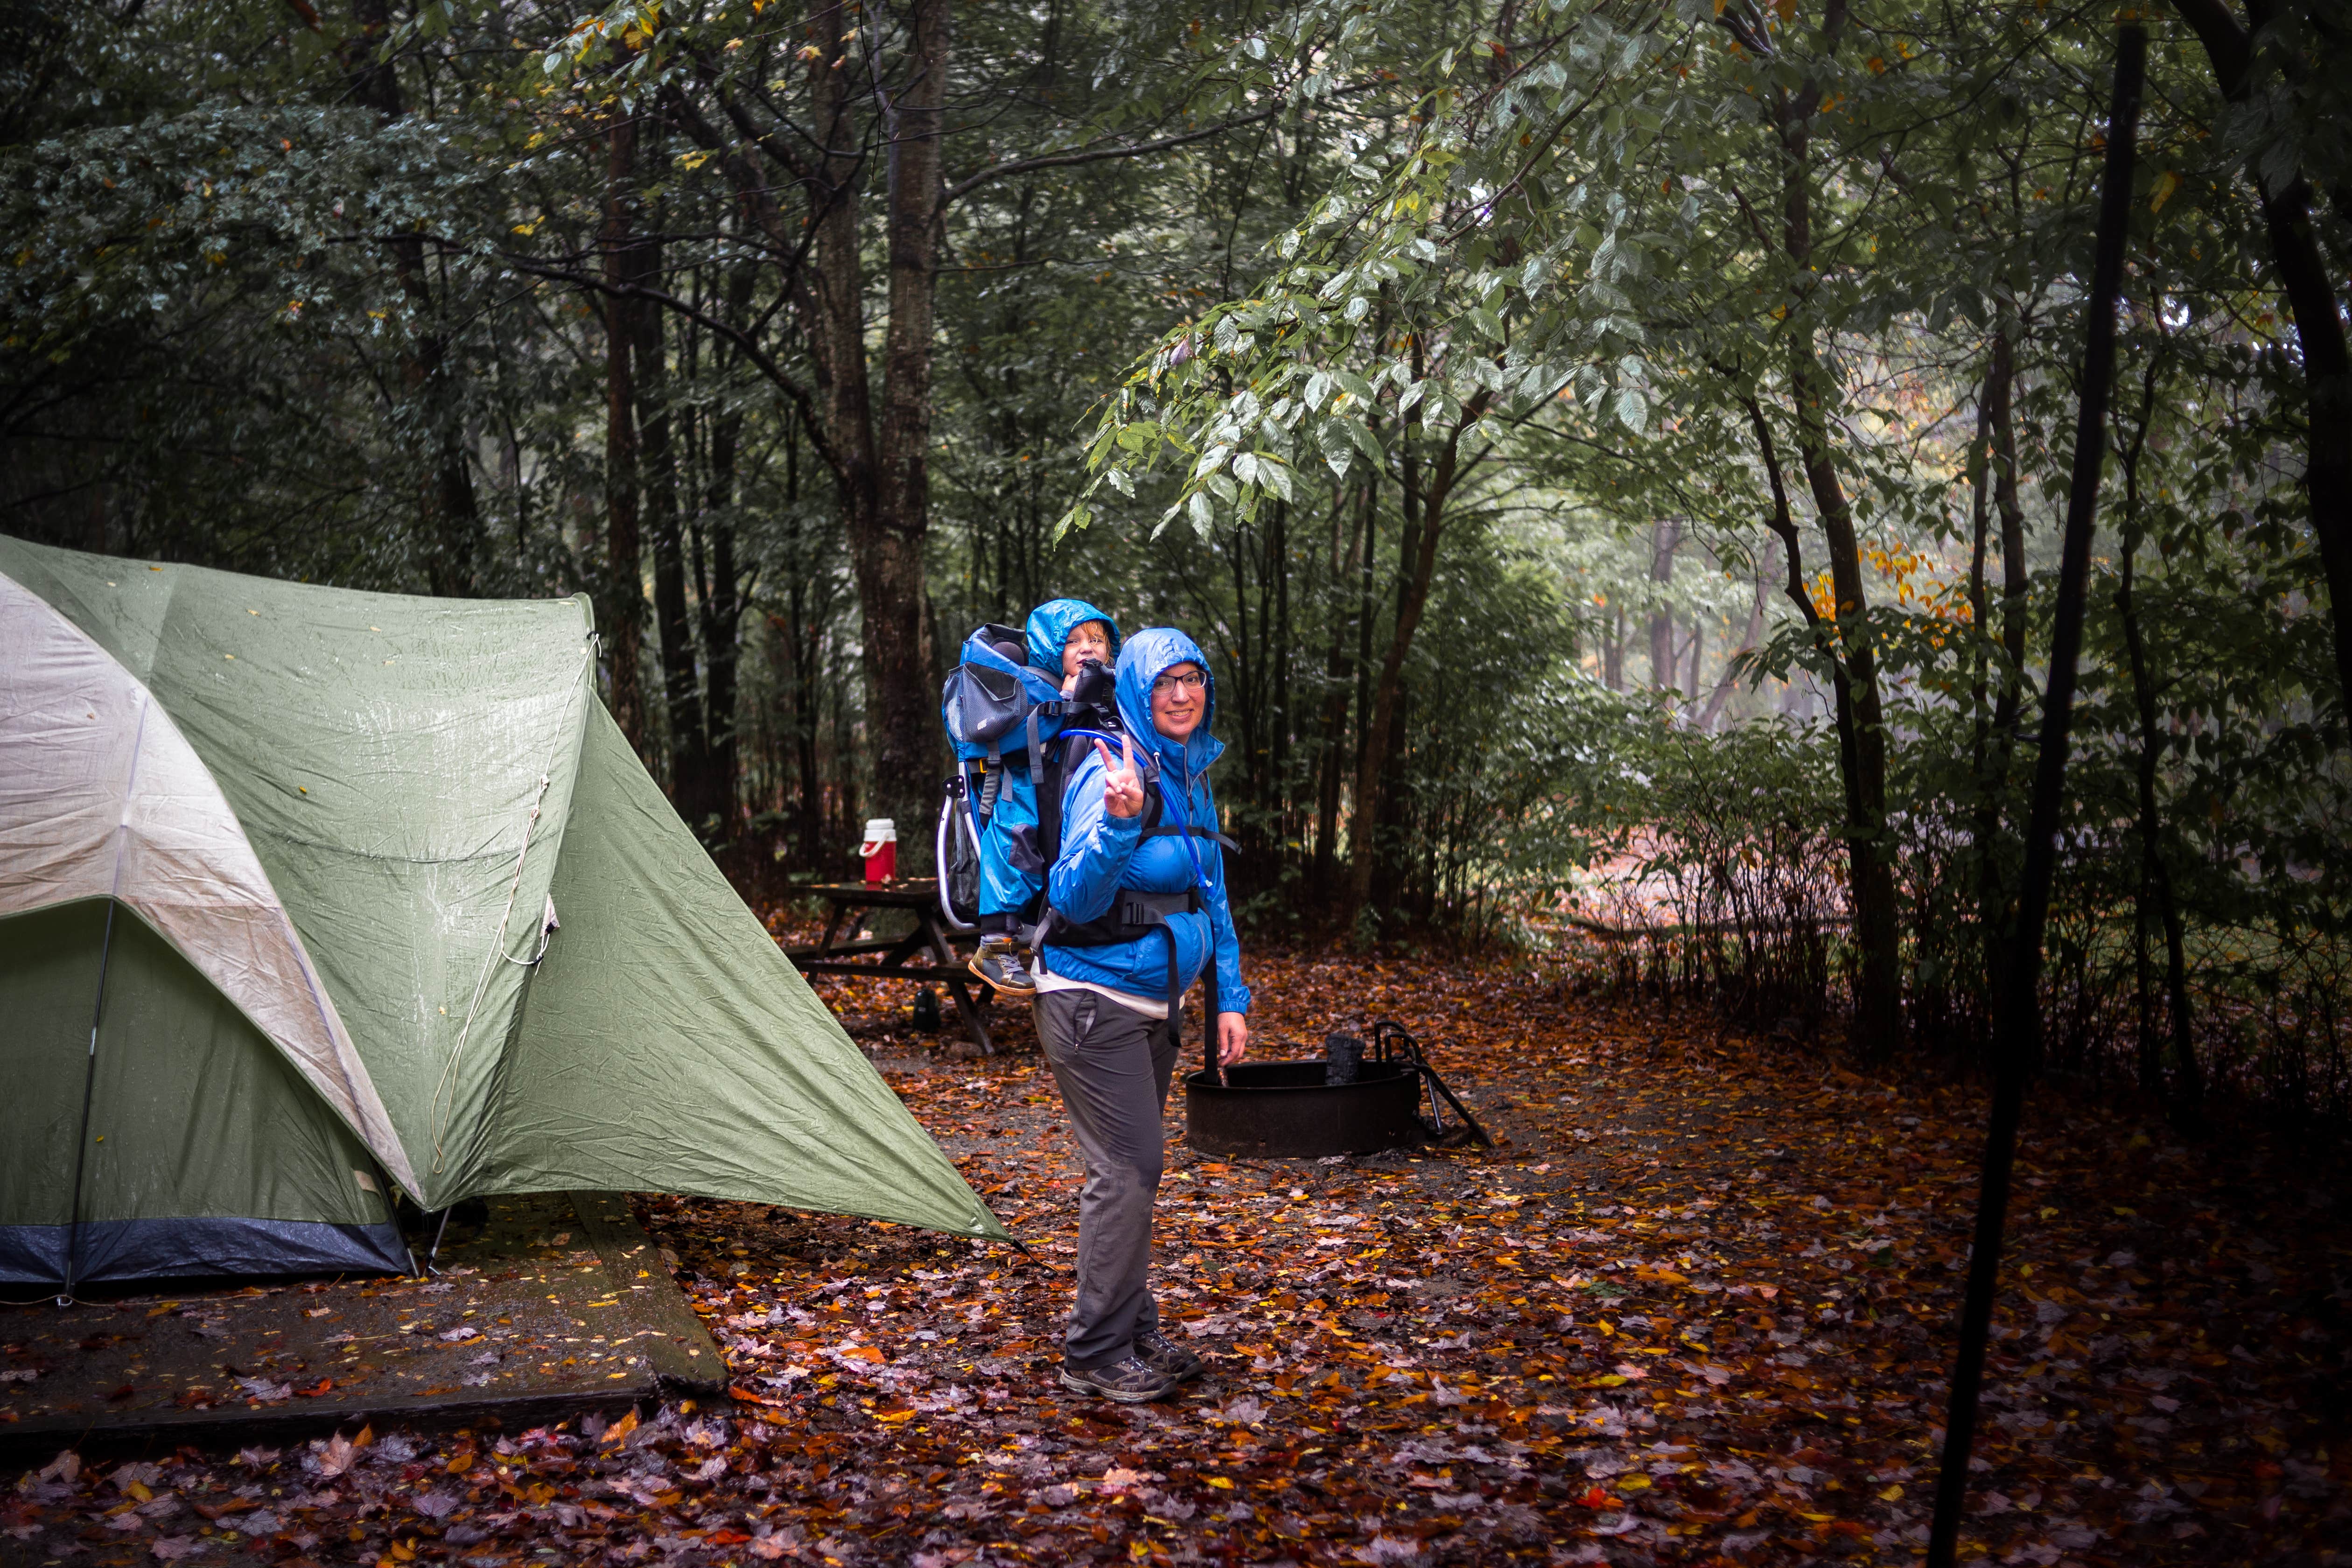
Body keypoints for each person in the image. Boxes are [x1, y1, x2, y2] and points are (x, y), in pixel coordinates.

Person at [1032, 628, 1251, 1403]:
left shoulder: (1189, 771)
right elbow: (1072, 899)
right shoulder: (1110, 770)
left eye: (1194, 680)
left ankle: (1130, 1329)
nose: (1183, 695)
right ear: (1136, 692)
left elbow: (1209, 892)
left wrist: (1231, 998)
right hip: (1092, 1000)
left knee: (1136, 1169)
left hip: (1154, 1003)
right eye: (1166, 684)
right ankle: (1093, 1353)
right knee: (1127, 1167)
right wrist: (1122, 822)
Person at [966, 599, 1122, 998]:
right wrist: (1065, 703)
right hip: (1026, 791)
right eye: (1073, 641)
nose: (1088, 648)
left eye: (1097, 640)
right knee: (1015, 824)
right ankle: (995, 942)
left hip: (1080, 798)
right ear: (1051, 650)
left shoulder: (1113, 687)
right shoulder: (1031, 686)